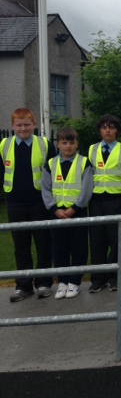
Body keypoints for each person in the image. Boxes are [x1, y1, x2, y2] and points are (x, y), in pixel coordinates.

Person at [0, 108, 56, 302]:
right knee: (21, 246)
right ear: (13, 126)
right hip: (15, 203)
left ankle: (43, 283)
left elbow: (53, 172)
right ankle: (23, 285)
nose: (23, 128)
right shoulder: (4, 145)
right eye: (19, 125)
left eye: (26, 124)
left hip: (40, 202)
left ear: (34, 124)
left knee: (43, 244)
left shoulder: (45, 144)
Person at [41, 127, 93, 299]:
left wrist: (73, 209)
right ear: (58, 144)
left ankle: (75, 282)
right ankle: (62, 281)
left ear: (77, 144)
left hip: (76, 211)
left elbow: (86, 190)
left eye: (72, 142)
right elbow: (46, 189)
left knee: (78, 247)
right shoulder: (50, 164)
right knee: (59, 247)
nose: (68, 146)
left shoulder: (84, 163)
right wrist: (55, 209)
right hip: (56, 213)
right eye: (64, 142)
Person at [87, 114, 121, 293]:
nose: (107, 130)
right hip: (96, 199)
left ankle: (114, 277)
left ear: (117, 131)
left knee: (115, 239)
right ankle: (98, 279)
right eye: (104, 127)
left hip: (116, 198)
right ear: (100, 130)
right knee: (97, 240)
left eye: (111, 127)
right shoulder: (91, 149)